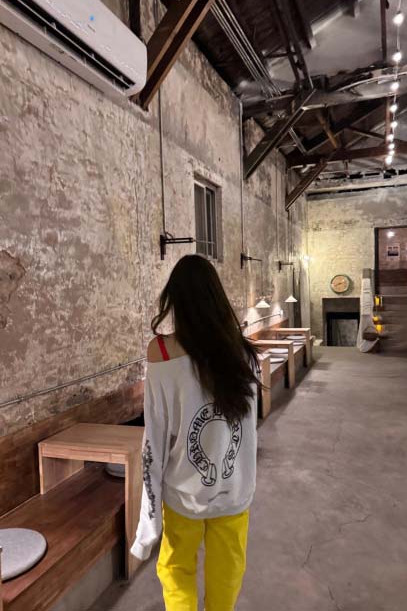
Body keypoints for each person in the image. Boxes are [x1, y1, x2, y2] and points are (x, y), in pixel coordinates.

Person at [131, 254, 260, 611]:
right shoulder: (243, 353)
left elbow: (155, 436)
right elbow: (248, 432)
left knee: (176, 571)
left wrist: (148, 518)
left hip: (183, 489)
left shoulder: (160, 352)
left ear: (176, 301)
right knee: (227, 574)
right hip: (233, 489)